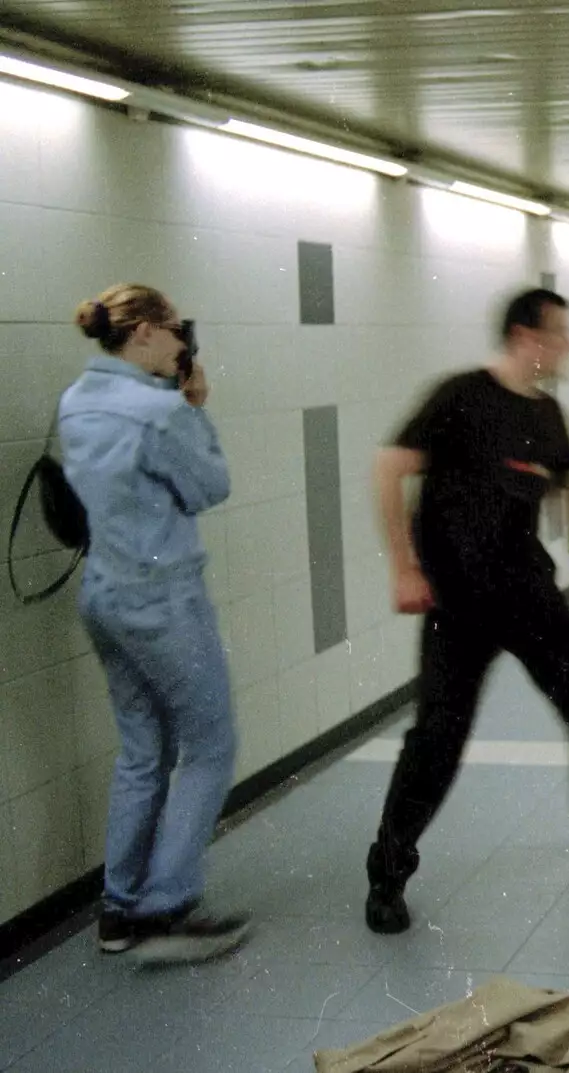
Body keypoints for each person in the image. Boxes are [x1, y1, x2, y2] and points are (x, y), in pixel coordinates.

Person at [363, 287, 569, 934]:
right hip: (458, 600)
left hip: (527, 591)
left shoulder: (550, 415)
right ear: (526, 337)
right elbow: (388, 468)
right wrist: (404, 566)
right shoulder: (460, 396)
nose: (568, 347)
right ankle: (388, 876)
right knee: (437, 740)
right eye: (559, 334)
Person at [58, 284, 251, 966]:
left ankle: (119, 906)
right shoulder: (161, 410)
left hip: (104, 596)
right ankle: (166, 904)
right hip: (163, 600)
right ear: (142, 331)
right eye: (174, 333)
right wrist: (195, 406)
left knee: (143, 749)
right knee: (210, 743)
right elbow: (209, 487)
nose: (181, 347)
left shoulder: (77, 400)